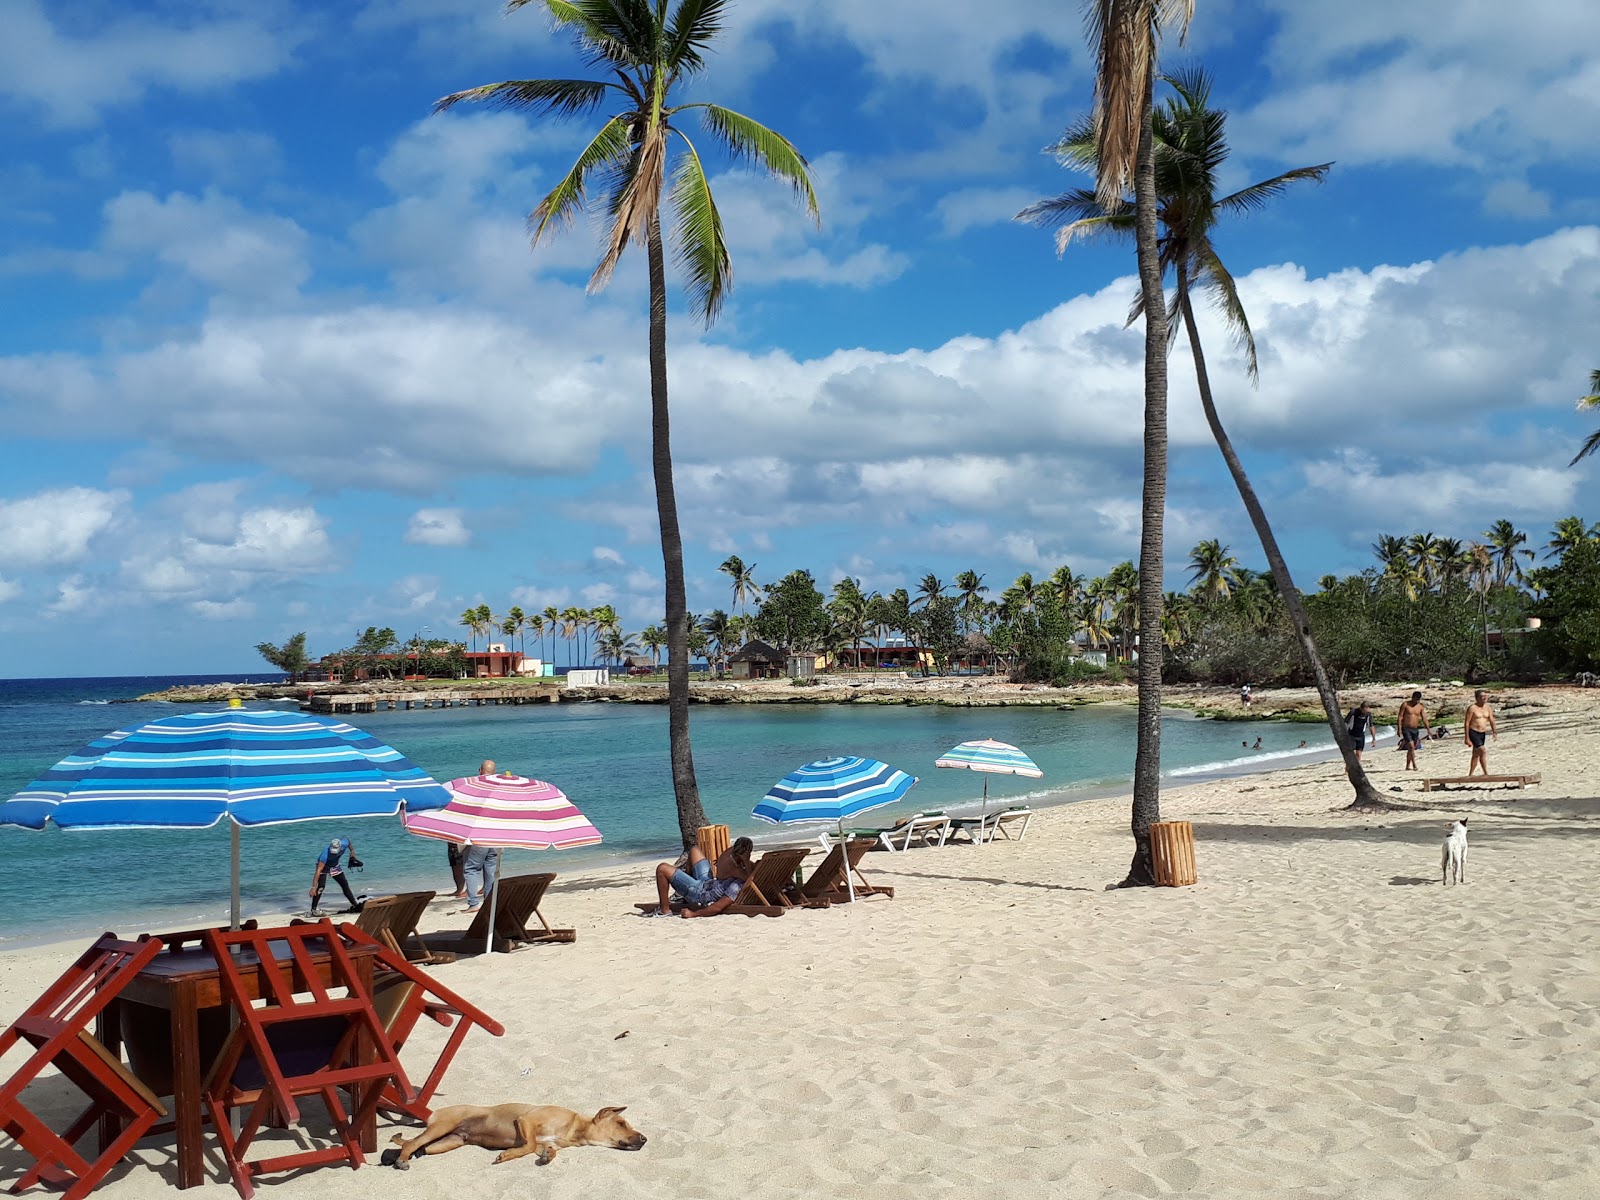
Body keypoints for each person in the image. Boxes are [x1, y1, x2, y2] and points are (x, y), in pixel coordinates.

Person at [649, 837, 755, 918]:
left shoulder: (737, 883)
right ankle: (684, 894)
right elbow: (751, 870)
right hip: (708, 882)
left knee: (662, 869)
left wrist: (693, 914)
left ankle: (665, 911)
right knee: (694, 850)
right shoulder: (742, 868)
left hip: (699, 893)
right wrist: (744, 861)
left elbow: (717, 907)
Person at [461, 758, 502, 912]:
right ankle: (489, 902)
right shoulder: (500, 789)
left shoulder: (475, 787)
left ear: (480, 771)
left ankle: (473, 904)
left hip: (480, 835)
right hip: (496, 836)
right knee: (490, 870)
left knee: (471, 869)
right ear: (495, 772)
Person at [309, 835, 363, 915]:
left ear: (340, 847)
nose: (333, 852)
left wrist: (352, 850)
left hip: (335, 866)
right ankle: (313, 910)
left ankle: (355, 905)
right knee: (320, 887)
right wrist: (313, 887)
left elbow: (347, 839)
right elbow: (318, 870)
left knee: (345, 885)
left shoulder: (344, 843)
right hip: (324, 867)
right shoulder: (325, 854)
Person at [1464, 690, 1498, 776]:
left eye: (1485, 696)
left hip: (1482, 733)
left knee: (1476, 754)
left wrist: (1494, 732)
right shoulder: (1472, 708)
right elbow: (1467, 722)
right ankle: (1486, 773)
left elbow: (1491, 720)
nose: (1484, 698)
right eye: (1482, 696)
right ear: (1477, 698)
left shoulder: (1487, 708)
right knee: (1482, 751)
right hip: (1473, 731)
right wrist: (1467, 737)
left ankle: (1470, 774)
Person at [1397, 690, 1431, 772]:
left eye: (1419, 699)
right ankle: (1414, 765)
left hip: (1415, 729)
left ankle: (1407, 765)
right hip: (1406, 728)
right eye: (1416, 699)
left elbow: (1424, 718)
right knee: (1411, 746)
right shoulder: (1405, 705)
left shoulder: (1420, 707)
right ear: (1413, 697)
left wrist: (1428, 730)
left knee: (1412, 748)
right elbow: (1400, 717)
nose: (1417, 701)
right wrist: (1399, 729)